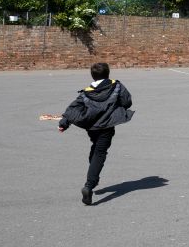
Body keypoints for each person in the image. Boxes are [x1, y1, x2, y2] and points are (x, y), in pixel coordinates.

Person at [58, 62, 135, 205]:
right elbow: (127, 101)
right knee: (100, 153)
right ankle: (89, 185)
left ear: (93, 76)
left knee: (96, 148)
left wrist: (64, 123)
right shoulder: (117, 86)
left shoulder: (87, 91)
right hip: (107, 126)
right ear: (108, 73)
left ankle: (93, 174)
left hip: (92, 127)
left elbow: (73, 108)